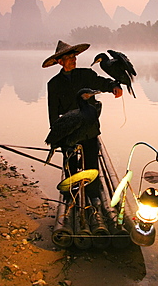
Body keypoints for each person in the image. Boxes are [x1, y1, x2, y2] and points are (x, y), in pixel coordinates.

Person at [42, 40, 122, 200]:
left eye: (74, 56)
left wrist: (114, 86)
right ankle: (71, 196)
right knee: (70, 165)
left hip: (88, 130)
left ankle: (93, 197)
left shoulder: (86, 74)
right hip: (69, 133)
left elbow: (102, 82)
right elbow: (53, 113)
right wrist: (57, 137)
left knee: (92, 164)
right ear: (60, 61)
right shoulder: (54, 84)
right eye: (70, 57)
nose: (74, 59)